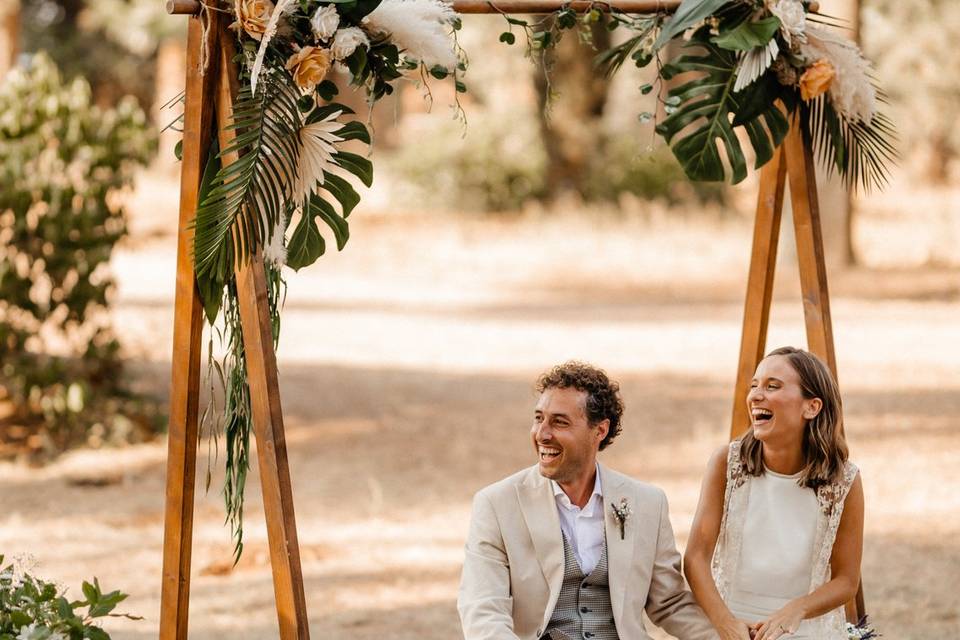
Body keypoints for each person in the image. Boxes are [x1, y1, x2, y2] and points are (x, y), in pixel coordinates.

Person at [458, 361, 717, 640]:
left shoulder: (647, 503)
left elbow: (670, 603)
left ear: (599, 431)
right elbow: (483, 611)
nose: (542, 434)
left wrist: (724, 637)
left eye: (559, 422)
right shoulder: (497, 505)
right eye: (538, 418)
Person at [684, 347, 864, 640]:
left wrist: (797, 609)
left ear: (812, 407)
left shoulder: (844, 481)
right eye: (754, 385)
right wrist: (726, 624)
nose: (755, 396)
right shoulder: (726, 464)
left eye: (772, 386)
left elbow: (846, 580)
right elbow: (695, 558)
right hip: (731, 621)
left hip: (804, 628)